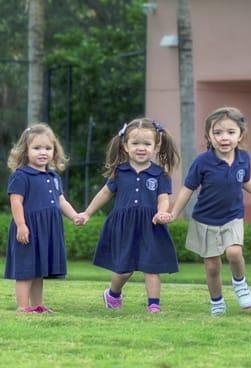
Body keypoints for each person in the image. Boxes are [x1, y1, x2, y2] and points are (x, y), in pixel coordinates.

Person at [164, 107, 251, 316]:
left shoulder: (244, 158)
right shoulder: (202, 162)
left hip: (233, 217)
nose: (224, 137)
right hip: (205, 220)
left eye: (230, 132)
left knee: (234, 252)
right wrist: (174, 213)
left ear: (240, 135)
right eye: (217, 132)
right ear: (208, 136)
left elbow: (246, 181)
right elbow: (187, 188)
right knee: (212, 267)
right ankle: (217, 302)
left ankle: (240, 284)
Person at [78, 118, 180, 313]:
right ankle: (113, 294)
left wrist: (162, 212)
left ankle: (154, 305)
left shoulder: (160, 174)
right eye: (135, 143)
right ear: (125, 146)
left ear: (156, 146)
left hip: (151, 226)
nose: (141, 148)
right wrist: (87, 213)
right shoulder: (120, 172)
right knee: (124, 269)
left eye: (147, 144)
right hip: (124, 226)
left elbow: (163, 198)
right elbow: (105, 193)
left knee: (151, 267)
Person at [5, 123, 82, 313]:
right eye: (37, 148)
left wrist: (74, 216)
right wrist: (21, 225)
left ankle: (37, 306)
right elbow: (16, 202)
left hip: (48, 229)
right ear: (25, 150)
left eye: (48, 148)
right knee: (26, 268)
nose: (43, 152)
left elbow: (61, 200)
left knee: (39, 268)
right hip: (29, 228)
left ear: (54, 151)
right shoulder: (21, 176)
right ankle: (23, 307)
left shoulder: (54, 177)